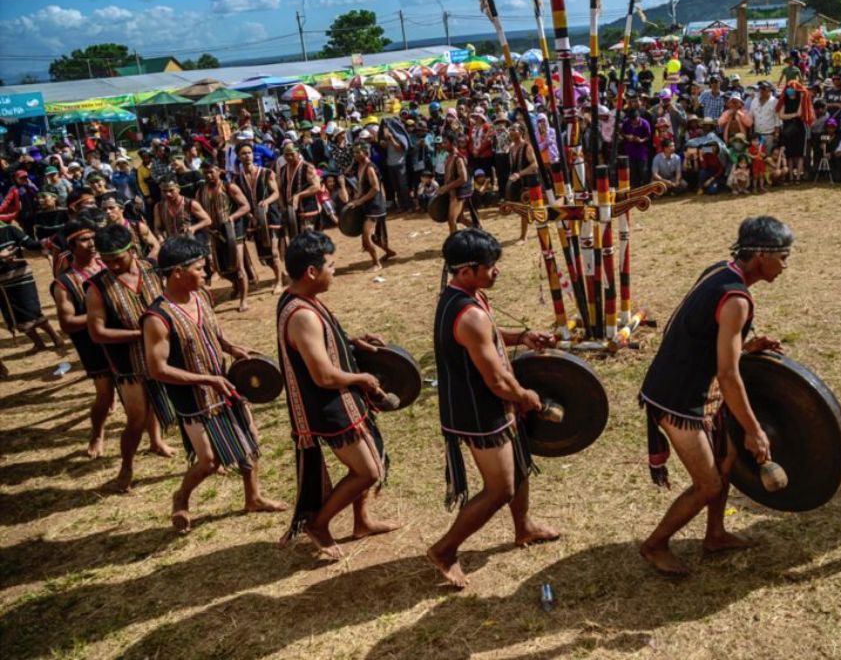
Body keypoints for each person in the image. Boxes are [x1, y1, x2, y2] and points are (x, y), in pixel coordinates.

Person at [638, 215, 790, 576]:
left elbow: (703, 332)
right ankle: (654, 545)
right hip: (677, 397)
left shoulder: (721, 270)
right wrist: (754, 430)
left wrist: (746, 345)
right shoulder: (736, 299)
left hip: (692, 386)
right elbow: (728, 373)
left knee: (725, 462)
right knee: (708, 484)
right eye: (782, 256)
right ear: (760, 257)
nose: (786, 264)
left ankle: (716, 534)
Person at [427, 228, 559, 588]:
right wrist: (525, 396)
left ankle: (524, 527)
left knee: (520, 466)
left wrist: (522, 337)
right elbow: (498, 382)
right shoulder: (469, 314)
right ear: (467, 270)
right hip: (479, 410)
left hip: (484, 402)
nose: (496, 270)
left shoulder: (466, 296)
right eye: (490, 265)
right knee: (499, 489)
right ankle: (444, 550)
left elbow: (487, 337)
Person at [141, 235, 286, 532]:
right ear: (177, 272)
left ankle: (253, 497)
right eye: (199, 268)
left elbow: (213, 333)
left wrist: (232, 348)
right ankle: (181, 498)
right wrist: (208, 379)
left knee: (250, 440)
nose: (206, 273)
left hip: (224, 385)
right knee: (209, 462)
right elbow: (157, 369)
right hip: (193, 400)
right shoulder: (157, 318)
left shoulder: (202, 296)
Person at [276, 231, 398, 558]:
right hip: (328, 406)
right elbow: (323, 375)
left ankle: (362, 521)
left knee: (374, 453)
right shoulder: (301, 315)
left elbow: (322, 345)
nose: (335, 271)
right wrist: (364, 378)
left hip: (343, 399)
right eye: (330, 266)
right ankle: (318, 523)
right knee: (367, 471)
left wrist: (351, 341)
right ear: (311, 272)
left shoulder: (302, 297)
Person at [86, 223, 175, 492]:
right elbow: (97, 333)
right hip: (129, 362)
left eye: (118, 259)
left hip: (164, 352)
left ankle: (157, 442)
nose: (112, 266)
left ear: (132, 250)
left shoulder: (153, 270)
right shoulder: (96, 288)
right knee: (136, 419)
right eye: (106, 260)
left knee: (168, 403)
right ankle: (126, 468)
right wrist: (141, 334)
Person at [50, 217, 115, 458]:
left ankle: (156, 439)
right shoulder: (64, 282)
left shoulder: (109, 265)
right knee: (105, 396)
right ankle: (97, 433)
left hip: (121, 338)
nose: (91, 243)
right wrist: (98, 316)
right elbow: (67, 323)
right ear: (72, 245)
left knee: (138, 392)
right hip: (93, 346)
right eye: (84, 239)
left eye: (92, 237)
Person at [0, 219, 62, 351]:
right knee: (15, 316)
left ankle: (55, 337)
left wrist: (47, 242)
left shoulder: (10, 230)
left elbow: (30, 245)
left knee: (32, 310)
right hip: (2, 286)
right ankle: (39, 343)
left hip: (22, 278)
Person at [197, 162, 252, 311]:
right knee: (221, 268)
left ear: (219, 171)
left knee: (239, 267)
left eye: (211, 172)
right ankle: (235, 285)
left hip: (233, 231)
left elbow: (246, 206)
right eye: (205, 173)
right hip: (214, 233)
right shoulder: (200, 191)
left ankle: (244, 300)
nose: (208, 175)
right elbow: (198, 212)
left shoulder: (229, 187)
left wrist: (232, 217)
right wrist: (208, 229)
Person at [233, 142, 285, 293]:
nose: (247, 156)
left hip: (271, 216)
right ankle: (279, 274)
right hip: (253, 219)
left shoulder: (267, 173)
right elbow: (239, 202)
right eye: (243, 153)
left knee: (274, 251)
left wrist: (267, 202)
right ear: (238, 157)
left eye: (249, 152)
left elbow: (276, 192)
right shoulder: (237, 180)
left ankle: (279, 282)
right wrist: (249, 214)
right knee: (264, 254)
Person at [347, 142, 397, 272]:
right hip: (368, 204)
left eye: (358, 152)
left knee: (366, 237)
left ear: (365, 152)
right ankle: (389, 251)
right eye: (354, 153)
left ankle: (377, 263)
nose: (356, 155)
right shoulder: (360, 166)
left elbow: (375, 188)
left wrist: (360, 200)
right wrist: (357, 198)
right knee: (375, 237)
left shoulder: (369, 168)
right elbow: (362, 187)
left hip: (375, 205)